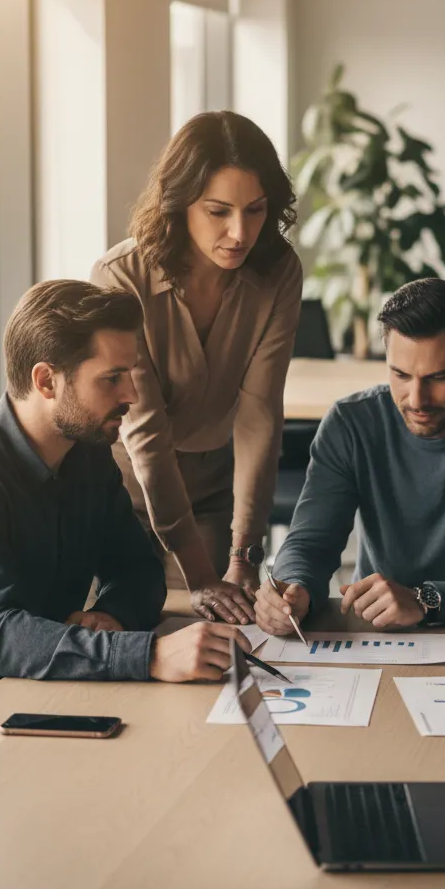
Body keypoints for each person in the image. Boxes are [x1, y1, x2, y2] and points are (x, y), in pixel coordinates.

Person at [0, 281, 251, 710]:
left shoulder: (89, 453)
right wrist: (147, 655)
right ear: (45, 381)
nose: (131, 394)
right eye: (112, 378)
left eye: (129, 374)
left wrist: (110, 618)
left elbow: (138, 570)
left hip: (55, 688)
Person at [254, 278, 445, 636]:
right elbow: (311, 542)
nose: (416, 399)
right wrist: (292, 589)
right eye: (400, 375)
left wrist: (427, 600)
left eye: (437, 377)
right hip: (380, 630)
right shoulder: (350, 423)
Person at [91, 111, 302, 626]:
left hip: (213, 478)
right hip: (122, 486)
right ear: (179, 202)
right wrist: (198, 572)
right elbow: (146, 434)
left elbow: (258, 414)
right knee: (131, 631)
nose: (239, 232)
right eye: (218, 211)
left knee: (218, 632)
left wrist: (244, 552)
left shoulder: (278, 272)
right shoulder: (121, 277)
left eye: (255, 210)